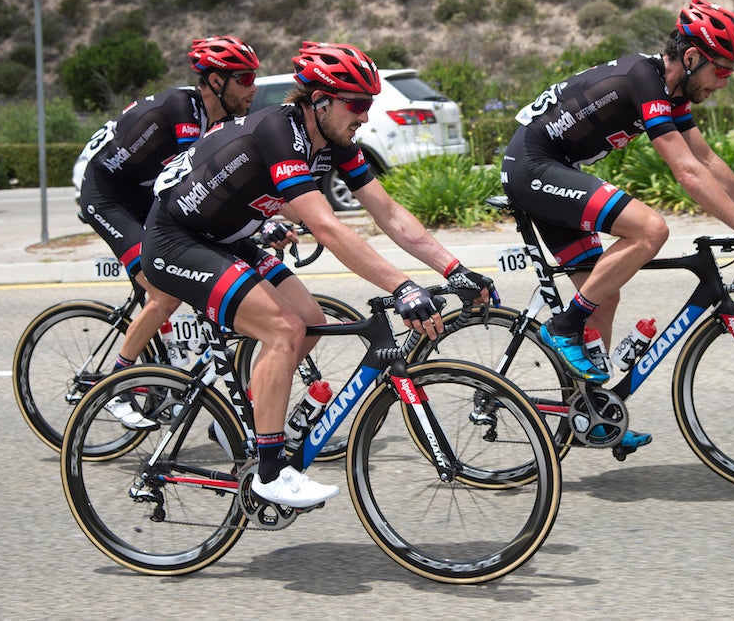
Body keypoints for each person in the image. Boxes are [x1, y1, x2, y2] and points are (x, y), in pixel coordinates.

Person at [141, 41, 495, 508]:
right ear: (321, 101)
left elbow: (388, 213)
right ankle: (270, 473)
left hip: (228, 237)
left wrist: (455, 268)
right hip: (177, 241)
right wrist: (402, 287)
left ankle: (241, 426)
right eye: (358, 105)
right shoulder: (278, 130)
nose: (365, 117)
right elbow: (326, 225)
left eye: (370, 105)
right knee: (283, 330)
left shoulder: (335, 143)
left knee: (309, 320)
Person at [501, 0, 734, 451]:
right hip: (533, 166)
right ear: (692, 57)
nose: (724, 83)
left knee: (604, 292)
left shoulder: (672, 91)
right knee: (650, 229)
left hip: (555, 168)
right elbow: (686, 172)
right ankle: (562, 327)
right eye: (721, 71)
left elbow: (706, 160)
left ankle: (593, 414)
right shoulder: (643, 78)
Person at [76, 35, 261, 429]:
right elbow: (193, 180)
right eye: (244, 78)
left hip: (143, 194)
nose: (253, 87)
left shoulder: (219, 121)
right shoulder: (182, 108)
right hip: (108, 196)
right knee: (164, 293)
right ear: (214, 81)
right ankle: (116, 387)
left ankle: (166, 377)